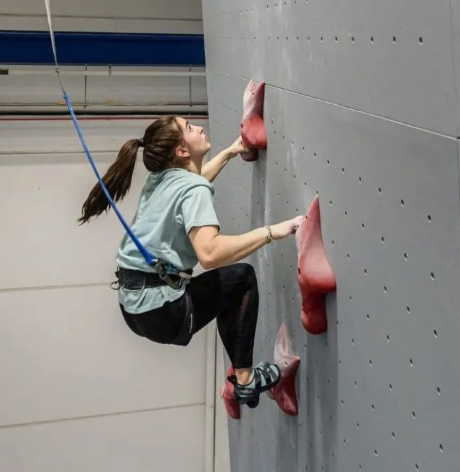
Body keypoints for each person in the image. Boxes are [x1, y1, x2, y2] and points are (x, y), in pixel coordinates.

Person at [79, 115, 304, 406]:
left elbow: (195, 182)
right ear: (182, 151)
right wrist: (273, 232)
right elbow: (209, 254)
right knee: (241, 279)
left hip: (134, 309)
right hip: (162, 312)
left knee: (225, 290)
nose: (198, 127)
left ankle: (240, 376)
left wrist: (230, 152)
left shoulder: (161, 179)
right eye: (189, 128)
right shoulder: (191, 189)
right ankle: (246, 382)